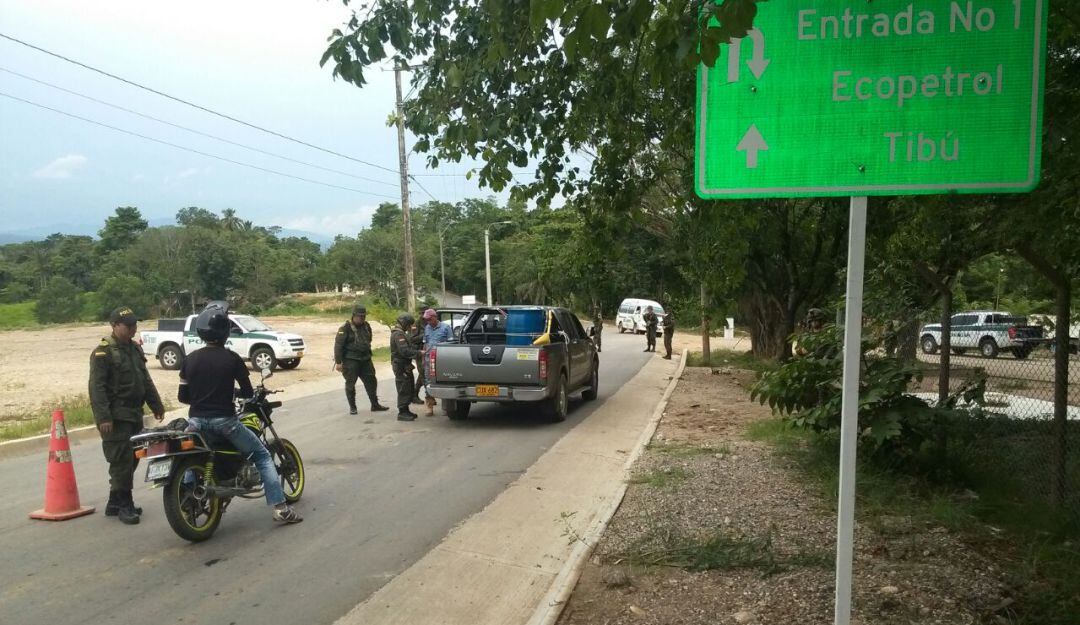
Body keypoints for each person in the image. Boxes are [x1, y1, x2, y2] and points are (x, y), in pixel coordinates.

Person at [180, 301, 302, 524]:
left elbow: (183, 397)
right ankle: (280, 508)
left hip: (196, 422)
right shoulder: (232, 359)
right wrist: (233, 393)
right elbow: (247, 392)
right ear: (225, 331)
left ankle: (187, 501)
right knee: (263, 456)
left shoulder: (189, 360)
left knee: (191, 457)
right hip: (224, 422)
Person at [89, 306, 165, 525]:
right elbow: (97, 388)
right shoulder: (102, 353)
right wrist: (103, 417)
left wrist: (155, 404)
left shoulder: (134, 349)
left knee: (132, 459)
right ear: (114, 326)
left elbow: (145, 379)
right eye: (128, 326)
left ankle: (114, 501)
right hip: (116, 417)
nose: (133, 329)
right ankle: (125, 504)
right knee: (121, 461)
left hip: (134, 414)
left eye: (135, 325)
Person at [334, 305, 388, 415]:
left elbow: (369, 339)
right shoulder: (345, 328)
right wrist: (338, 362)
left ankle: (375, 404)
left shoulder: (367, 326)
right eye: (359, 316)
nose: (362, 318)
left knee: (372, 381)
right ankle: (353, 407)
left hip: (365, 359)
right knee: (350, 383)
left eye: (363, 316)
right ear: (353, 316)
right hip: (351, 360)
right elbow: (338, 346)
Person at [421, 308, 453, 416]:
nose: (428, 321)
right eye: (426, 320)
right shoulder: (427, 328)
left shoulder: (446, 328)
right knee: (427, 382)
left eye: (430, 319)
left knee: (445, 382)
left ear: (435, 317)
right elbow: (425, 344)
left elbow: (451, 344)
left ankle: (447, 406)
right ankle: (429, 406)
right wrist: (423, 359)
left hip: (442, 360)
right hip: (429, 360)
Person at [390, 313, 420, 421]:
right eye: (409, 325)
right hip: (401, 365)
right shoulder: (398, 334)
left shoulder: (401, 333)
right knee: (403, 387)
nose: (410, 327)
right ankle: (402, 412)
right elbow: (404, 351)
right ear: (405, 324)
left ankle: (406, 410)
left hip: (404, 365)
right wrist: (419, 353)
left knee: (408, 386)